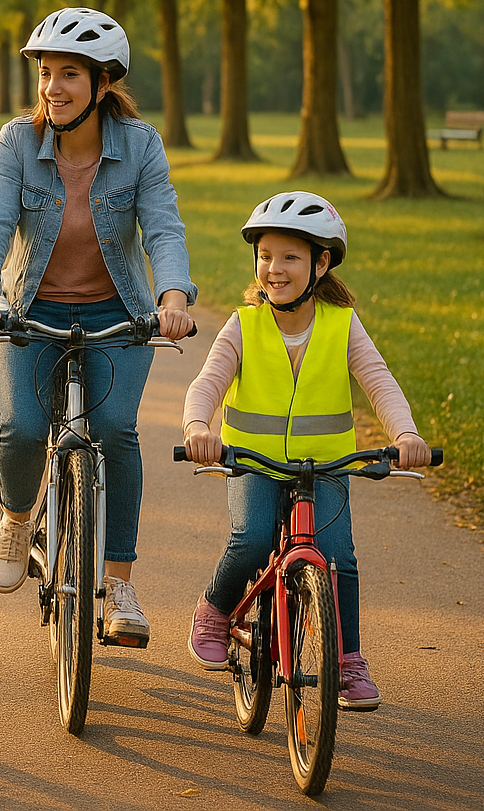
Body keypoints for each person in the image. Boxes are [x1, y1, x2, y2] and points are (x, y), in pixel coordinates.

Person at [0, 7, 196, 645]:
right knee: (23, 427)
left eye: (70, 74)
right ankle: (16, 518)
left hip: (116, 315)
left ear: (102, 84)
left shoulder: (141, 145)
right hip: (27, 312)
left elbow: (163, 228)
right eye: (46, 73)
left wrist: (173, 298)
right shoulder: (16, 142)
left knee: (117, 430)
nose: (53, 88)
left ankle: (119, 584)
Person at [181, 192, 431, 709]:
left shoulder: (342, 325)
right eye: (265, 255)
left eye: (289, 257)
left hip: (326, 470)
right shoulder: (244, 325)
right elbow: (208, 383)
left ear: (320, 263)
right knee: (250, 540)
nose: (274, 268)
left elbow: (378, 381)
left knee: (339, 558)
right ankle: (214, 610)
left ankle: (347, 661)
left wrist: (405, 435)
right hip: (253, 462)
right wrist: (198, 426)